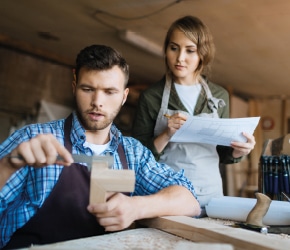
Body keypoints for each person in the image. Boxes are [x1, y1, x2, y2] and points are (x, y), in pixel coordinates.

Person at [0, 44, 201, 249]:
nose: (97, 102)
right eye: (88, 89)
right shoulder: (31, 138)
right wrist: (7, 166)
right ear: (74, 86)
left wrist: (136, 207)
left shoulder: (133, 155)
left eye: (109, 92)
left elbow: (190, 200)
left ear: (124, 96)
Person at [132, 15, 256, 214]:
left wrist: (239, 150)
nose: (180, 58)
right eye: (174, 48)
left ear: (202, 54)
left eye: (190, 50)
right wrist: (166, 134)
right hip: (169, 194)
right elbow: (137, 156)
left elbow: (223, 153)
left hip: (212, 195)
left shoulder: (219, 95)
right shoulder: (151, 97)